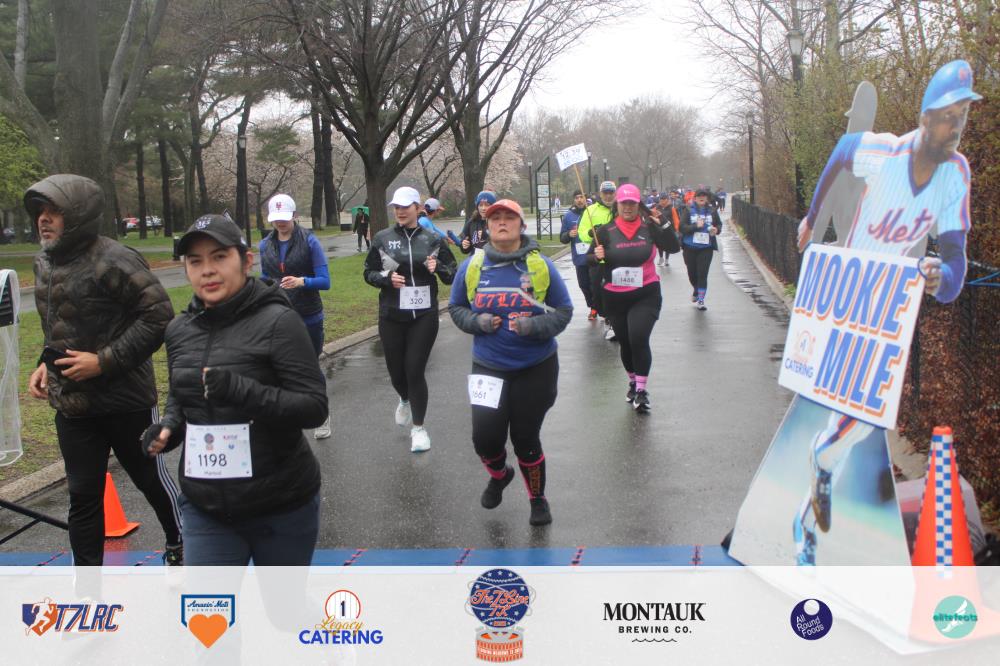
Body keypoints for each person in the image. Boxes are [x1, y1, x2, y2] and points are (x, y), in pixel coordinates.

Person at [792, 60, 980, 565]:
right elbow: (841, 152)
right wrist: (812, 216)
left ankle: (814, 501)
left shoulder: (955, 174)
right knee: (853, 414)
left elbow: (956, 258)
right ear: (925, 117)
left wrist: (944, 280)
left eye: (963, 116)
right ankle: (812, 513)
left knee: (861, 418)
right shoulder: (885, 151)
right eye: (948, 116)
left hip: (889, 306)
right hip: (848, 291)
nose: (956, 127)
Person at [145, 215, 327, 565]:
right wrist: (168, 428)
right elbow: (182, 394)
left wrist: (240, 390)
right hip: (206, 507)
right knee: (208, 603)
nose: (207, 271)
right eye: (195, 261)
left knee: (282, 602)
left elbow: (314, 407)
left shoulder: (279, 322)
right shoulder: (179, 330)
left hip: (280, 506)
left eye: (219, 257)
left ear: (246, 261)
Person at [24, 174, 182, 566]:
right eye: (40, 211)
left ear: (78, 215)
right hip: (73, 405)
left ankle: (181, 542)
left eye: (55, 211)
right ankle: (87, 587)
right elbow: (58, 325)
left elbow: (159, 316)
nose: (44, 219)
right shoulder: (43, 262)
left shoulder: (115, 259)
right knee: (83, 496)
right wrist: (44, 364)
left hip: (125, 400)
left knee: (150, 480)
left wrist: (103, 361)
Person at [449, 199, 572, 526]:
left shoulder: (540, 266)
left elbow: (564, 311)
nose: (502, 222)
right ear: (487, 226)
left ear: (521, 225)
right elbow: (456, 308)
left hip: (535, 366)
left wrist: (534, 326)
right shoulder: (473, 267)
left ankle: (537, 499)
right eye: (496, 218)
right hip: (488, 366)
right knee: (484, 439)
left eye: (509, 217)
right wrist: (477, 322)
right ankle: (500, 474)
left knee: (525, 438)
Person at [364, 186, 457, 451]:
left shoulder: (433, 239)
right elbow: (368, 272)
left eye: (405, 207)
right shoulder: (382, 239)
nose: (400, 211)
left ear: (418, 208)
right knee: (396, 372)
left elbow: (452, 273)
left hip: (424, 315)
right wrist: (386, 278)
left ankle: (419, 429)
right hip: (392, 314)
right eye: (397, 207)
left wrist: (438, 267)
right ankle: (404, 398)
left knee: (414, 369)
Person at [589, 184, 679, 412]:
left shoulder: (650, 227)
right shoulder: (605, 231)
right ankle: (632, 381)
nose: (628, 207)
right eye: (624, 203)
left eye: (632, 203)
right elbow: (587, 260)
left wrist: (664, 224)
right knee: (626, 342)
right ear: (617, 204)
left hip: (646, 293)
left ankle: (641, 390)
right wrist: (596, 256)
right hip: (615, 297)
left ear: (638, 205)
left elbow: (674, 247)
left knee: (638, 337)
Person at [259, 193, 332, 439]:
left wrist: (302, 281)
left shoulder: (310, 241)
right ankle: (288, 420)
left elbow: (325, 281)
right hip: (278, 315)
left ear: (294, 216)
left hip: (308, 315)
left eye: (285, 217)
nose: (280, 222)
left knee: (310, 367)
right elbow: (265, 278)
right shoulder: (265, 245)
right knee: (279, 369)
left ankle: (321, 414)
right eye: (276, 218)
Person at [578, 180, 618, 339]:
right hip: (597, 258)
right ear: (600, 194)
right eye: (605, 193)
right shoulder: (590, 210)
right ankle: (605, 314)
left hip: (616, 257)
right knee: (597, 290)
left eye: (611, 193)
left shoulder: (620, 208)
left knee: (616, 290)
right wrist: (590, 233)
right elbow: (581, 232)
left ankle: (613, 320)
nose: (608, 196)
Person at [678, 187, 723, 311]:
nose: (701, 197)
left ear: (707, 198)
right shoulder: (688, 210)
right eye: (699, 196)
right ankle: (696, 289)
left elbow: (719, 224)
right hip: (689, 247)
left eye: (704, 196)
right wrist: (695, 226)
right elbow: (681, 227)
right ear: (695, 198)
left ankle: (701, 300)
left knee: (703, 274)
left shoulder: (712, 210)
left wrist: (717, 230)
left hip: (706, 248)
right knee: (692, 274)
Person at [558, 190, 596, 318]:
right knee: (584, 285)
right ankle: (592, 305)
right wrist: (569, 234)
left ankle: (598, 308)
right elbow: (562, 238)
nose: (579, 200)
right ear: (574, 200)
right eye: (577, 198)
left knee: (596, 284)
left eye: (581, 197)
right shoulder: (569, 216)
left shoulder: (592, 212)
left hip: (594, 256)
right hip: (580, 258)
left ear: (586, 199)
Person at [652, 191, 680, 267]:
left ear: (667, 199)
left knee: (668, 244)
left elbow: (676, 219)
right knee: (660, 244)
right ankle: (661, 258)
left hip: (669, 229)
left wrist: (677, 229)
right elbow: (652, 215)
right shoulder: (657, 208)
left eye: (664, 199)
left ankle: (667, 259)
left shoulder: (672, 208)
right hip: (659, 229)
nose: (662, 201)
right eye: (661, 199)